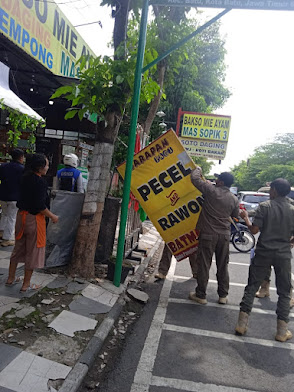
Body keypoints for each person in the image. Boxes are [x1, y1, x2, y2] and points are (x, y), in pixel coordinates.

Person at [235, 178, 294, 342]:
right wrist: (289, 243)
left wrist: (246, 217)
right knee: (284, 292)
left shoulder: (265, 207)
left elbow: (253, 230)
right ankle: (282, 332)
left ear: (274, 190)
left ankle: (242, 324)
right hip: (283, 254)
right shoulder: (292, 209)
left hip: (263, 252)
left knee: (252, 286)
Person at [5, 154, 59, 292]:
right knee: (33, 251)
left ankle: (10, 278)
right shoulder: (40, 182)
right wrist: (52, 216)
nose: (47, 167)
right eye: (46, 165)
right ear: (40, 167)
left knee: (18, 248)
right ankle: (26, 285)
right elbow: (40, 206)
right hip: (34, 220)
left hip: (21, 217)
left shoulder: (23, 178)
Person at [189, 168, 239, 305]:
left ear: (221, 182)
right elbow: (235, 216)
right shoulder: (234, 199)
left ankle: (201, 295)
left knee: (204, 265)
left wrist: (198, 169)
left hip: (208, 235)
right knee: (223, 265)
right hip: (224, 236)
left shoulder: (211, 190)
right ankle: (223, 295)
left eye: (217, 179)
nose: (215, 180)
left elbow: (195, 179)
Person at [0, 149, 24, 247]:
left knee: (4, 214)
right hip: (15, 196)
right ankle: (7, 238)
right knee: (12, 217)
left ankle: (1, 232)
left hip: (2, 195)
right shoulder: (22, 169)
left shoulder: (3, 166)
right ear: (21, 157)